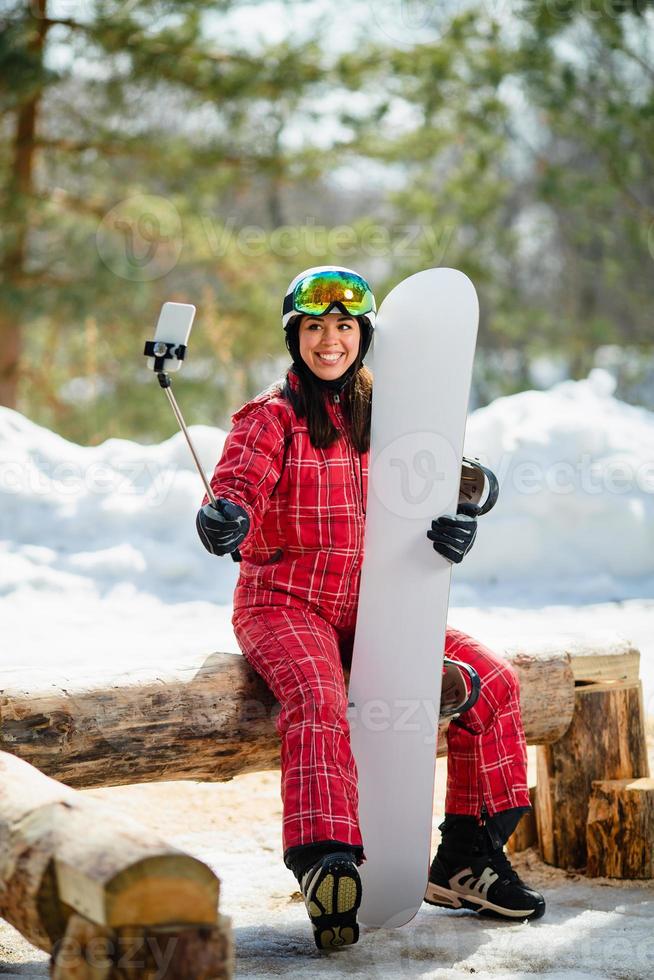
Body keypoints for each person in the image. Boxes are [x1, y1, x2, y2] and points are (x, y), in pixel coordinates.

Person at [196, 266, 545, 951]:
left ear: (364, 335)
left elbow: (453, 472)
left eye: (345, 327)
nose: (331, 341)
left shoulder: (389, 411)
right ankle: (327, 860)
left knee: (492, 682)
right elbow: (237, 483)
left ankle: (465, 856)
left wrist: (462, 513)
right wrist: (227, 516)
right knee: (318, 695)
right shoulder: (271, 417)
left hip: (381, 606)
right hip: (286, 604)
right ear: (295, 336)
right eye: (315, 327)